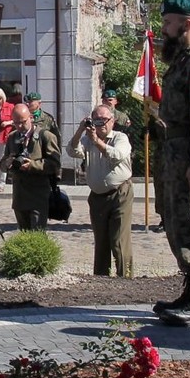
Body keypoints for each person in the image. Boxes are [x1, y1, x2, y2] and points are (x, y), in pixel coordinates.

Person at [150, 0, 190, 326]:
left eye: (169, 22)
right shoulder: (182, 60)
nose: (165, 28)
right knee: (174, 219)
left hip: (186, 152)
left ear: (187, 24)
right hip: (172, 149)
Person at [69, 104, 133, 276]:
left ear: (112, 121)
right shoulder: (87, 139)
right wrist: (80, 131)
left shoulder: (120, 138)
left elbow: (116, 155)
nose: (101, 124)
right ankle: (100, 278)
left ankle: (126, 276)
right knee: (101, 241)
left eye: (104, 120)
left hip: (120, 193)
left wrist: (96, 141)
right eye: (96, 120)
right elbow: (72, 151)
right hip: (97, 196)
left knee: (119, 240)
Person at [2, 103, 60, 231]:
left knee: (37, 235)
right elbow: (2, 163)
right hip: (19, 196)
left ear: (31, 118)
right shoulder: (12, 137)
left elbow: (55, 164)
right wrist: (7, 163)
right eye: (16, 123)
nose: (20, 126)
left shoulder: (45, 136)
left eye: (23, 122)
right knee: (23, 234)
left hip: (38, 195)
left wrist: (32, 165)